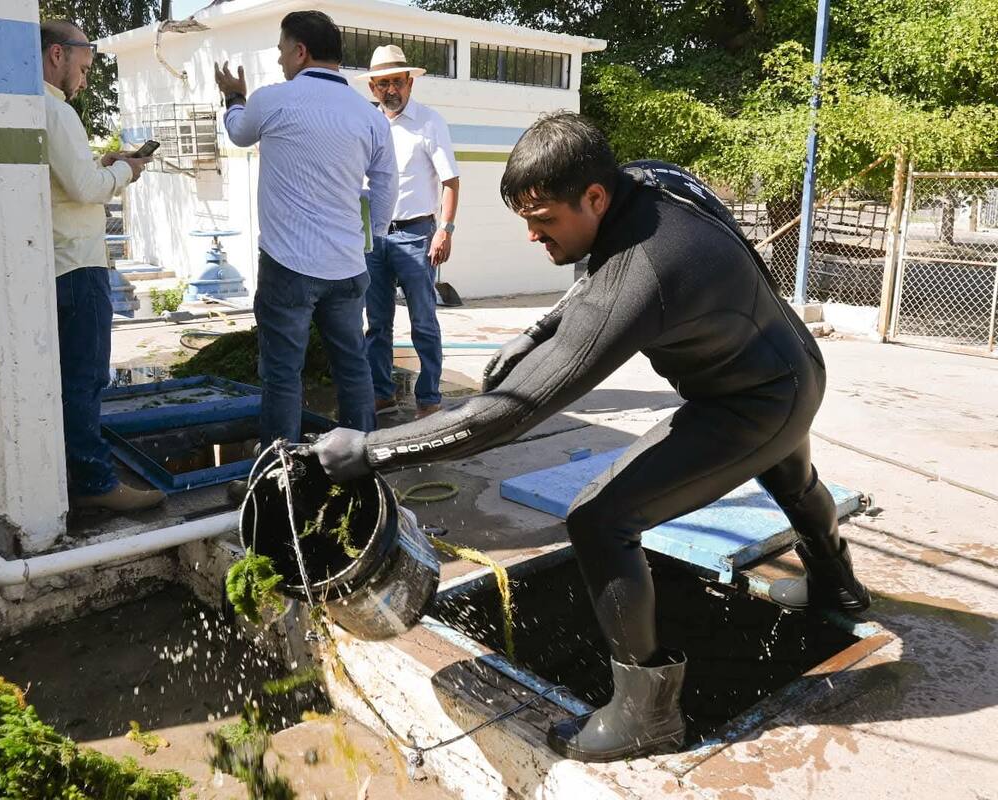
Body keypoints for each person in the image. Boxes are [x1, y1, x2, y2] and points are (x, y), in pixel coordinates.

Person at [312, 112, 870, 762]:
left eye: (544, 220)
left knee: (601, 519)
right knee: (791, 477)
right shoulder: (648, 184)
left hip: (751, 402)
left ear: (594, 198)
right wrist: (536, 332)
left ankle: (646, 714)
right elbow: (590, 291)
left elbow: (504, 415)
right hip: (793, 365)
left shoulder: (645, 271)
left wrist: (369, 451)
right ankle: (837, 585)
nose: (532, 236)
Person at [214, 10, 398, 448]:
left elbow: (239, 133)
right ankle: (362, 464)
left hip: (287, 266)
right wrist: (372, 238)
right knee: (353, 367)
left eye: (281, 50)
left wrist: (234, 97)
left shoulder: (272, 99)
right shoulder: (368, 115)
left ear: (300, 51)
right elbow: (386, 184)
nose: (279, 60)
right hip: (347, 267)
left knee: (282, 373)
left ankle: (282, 474)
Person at [41, 20, 163, 511]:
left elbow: (70, 180)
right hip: (77, 264)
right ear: (57, 55)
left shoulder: (33, 107)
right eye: (84, 67)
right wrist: (123, 171)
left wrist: (103, 164)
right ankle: (95, 486)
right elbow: (88, 191)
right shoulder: (55, 110)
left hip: (56, 261)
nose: (86, 79)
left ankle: (75, 478)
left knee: (70, 379)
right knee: (86, 378)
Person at [354, 45, 460, 419]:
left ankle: (429, 397)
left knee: (423, 321)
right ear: (372, 88)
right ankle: (382, 393)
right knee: (377, 323)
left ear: (410, 82)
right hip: (374, 238)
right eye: (382, 84)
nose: (390, 90)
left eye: (396, 81)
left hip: (416, 235)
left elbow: (450, 181)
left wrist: (444, 230)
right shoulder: (367, 124)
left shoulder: (429, 123)